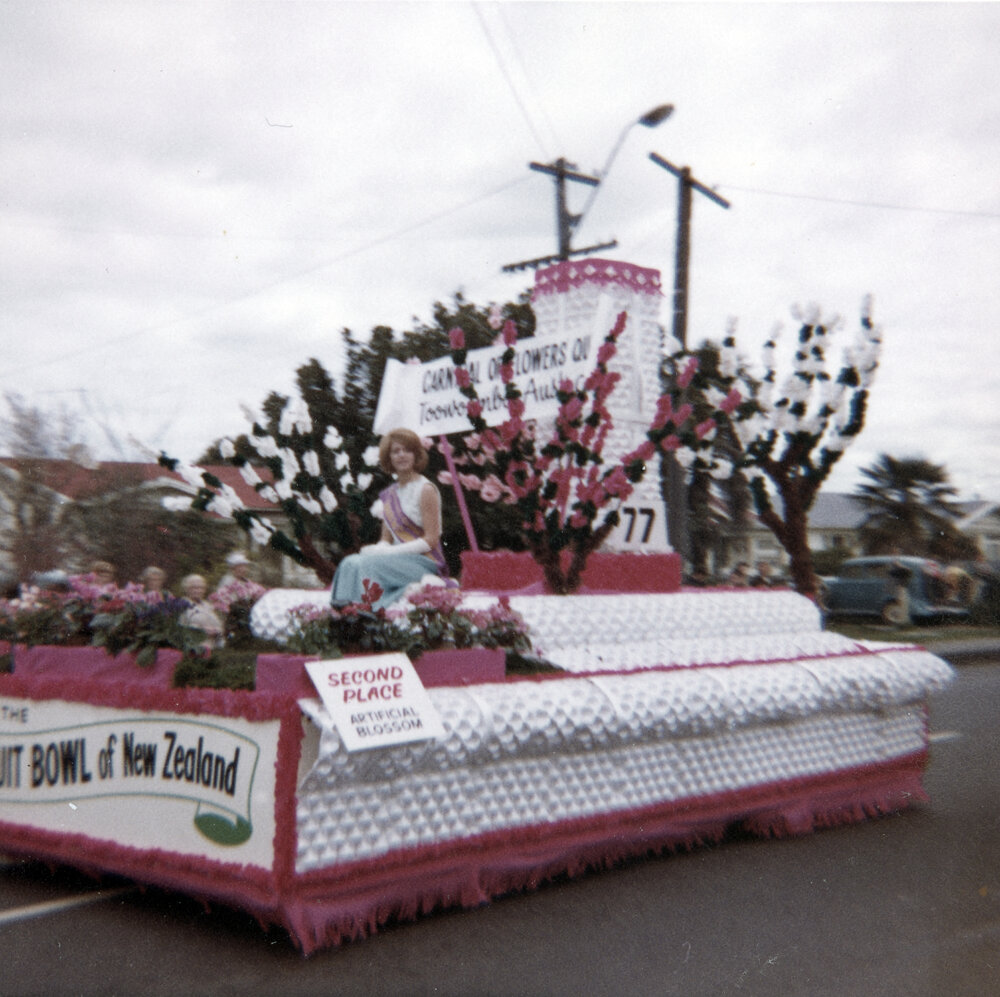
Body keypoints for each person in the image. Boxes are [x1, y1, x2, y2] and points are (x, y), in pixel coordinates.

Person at [330, 428, 447, 609]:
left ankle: (369, 614)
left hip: (423, 563)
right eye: (396, 451)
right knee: (349, 563)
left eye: (407, 450)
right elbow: (386, 540)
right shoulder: (389, 494)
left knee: (368, 566)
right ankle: (344, 615)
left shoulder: (426, 490)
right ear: (389, 457)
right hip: (394, 562)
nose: (401, 455)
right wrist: (377, 549)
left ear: (416, 454)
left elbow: (431, 540)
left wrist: (389, 552)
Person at [179, 574, 225, 649]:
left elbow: (219, 625)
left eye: (201, 588)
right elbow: (180, 628)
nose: (198, 591)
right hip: (194, 648)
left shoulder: (208, 605)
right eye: (194, 588)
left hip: (214, 648)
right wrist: (201, 632)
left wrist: (217, 631)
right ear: (186, 589)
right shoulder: (182, 605)